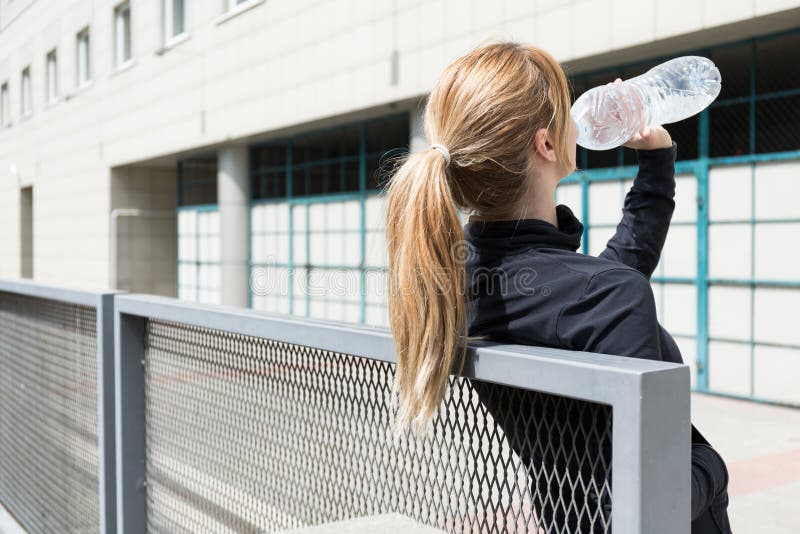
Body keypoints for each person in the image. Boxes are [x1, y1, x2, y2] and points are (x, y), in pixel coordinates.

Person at [384, 42, 732, 533]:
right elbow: (659, 494)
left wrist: (657, 162)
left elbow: (602, 286)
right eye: (566, 107)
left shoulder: (458, 280)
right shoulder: (594, 295)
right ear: (546, 145)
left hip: (567, 515)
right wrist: (714, 463)